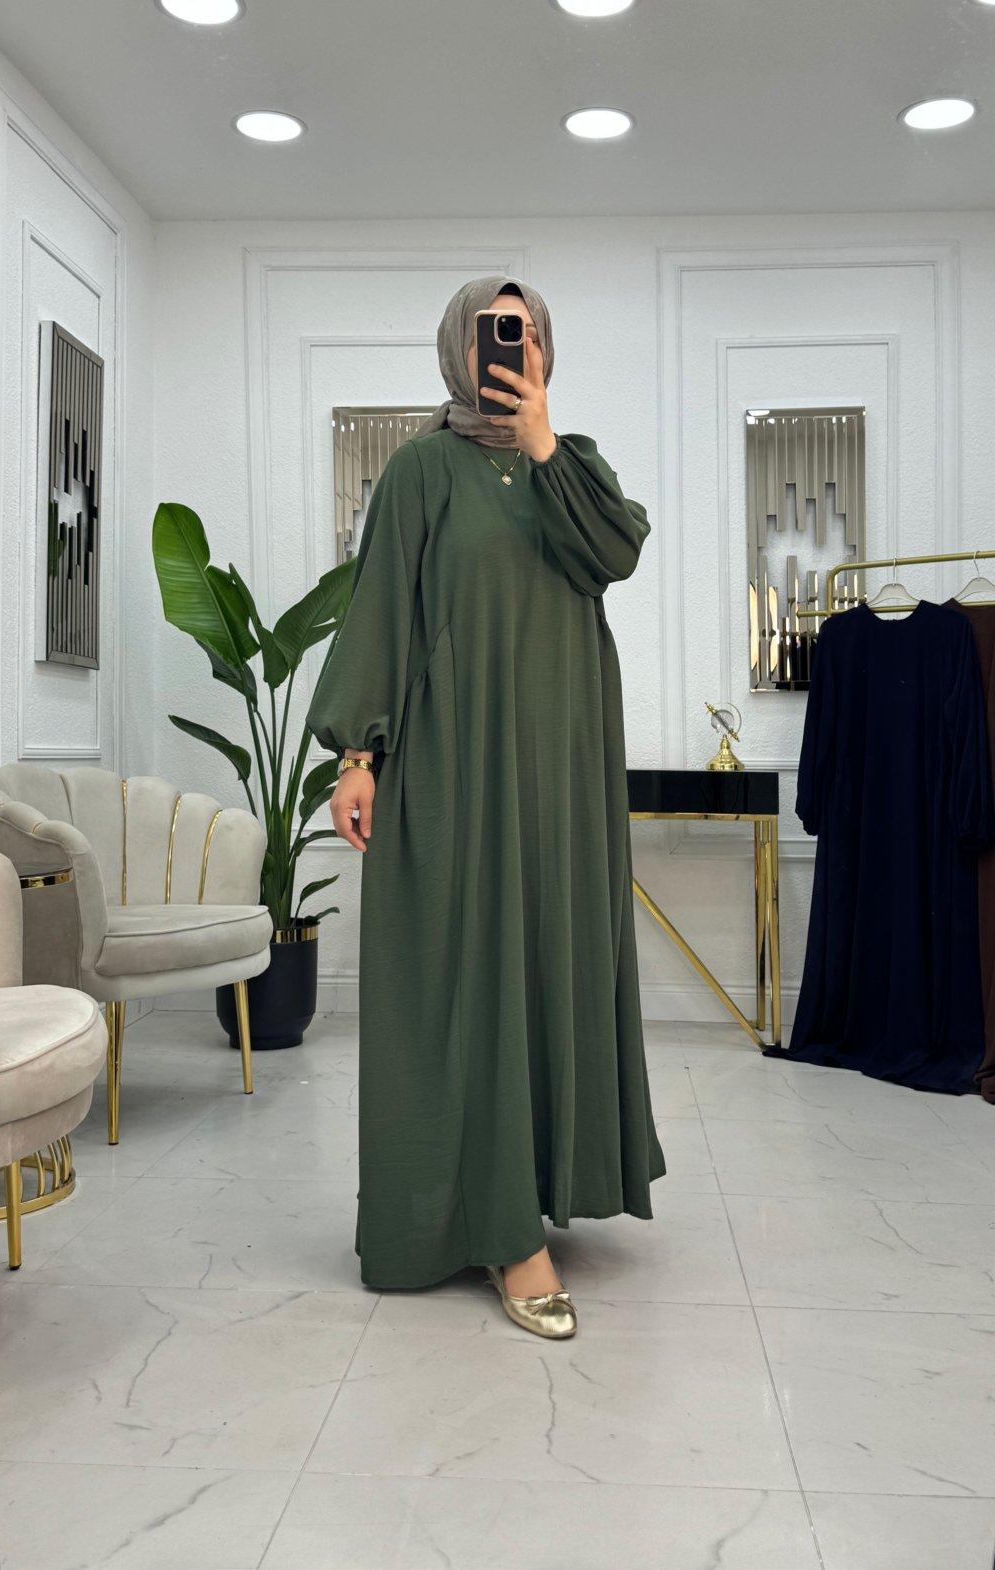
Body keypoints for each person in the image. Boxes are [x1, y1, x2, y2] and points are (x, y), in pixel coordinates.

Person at [307, 275, 665, 1339]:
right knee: (462, 975)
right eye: (491, 332)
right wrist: (358, 753)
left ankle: (537, 1185)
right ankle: (502, 1232)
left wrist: (544, 440)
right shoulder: (420, 471)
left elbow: (614, 553)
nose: (510, 348)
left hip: (564, 768)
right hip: (459, 761)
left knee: (551, 964)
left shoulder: (577, 466)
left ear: (544, 350)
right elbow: (382, 606)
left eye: (526, 332)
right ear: (457, 350)